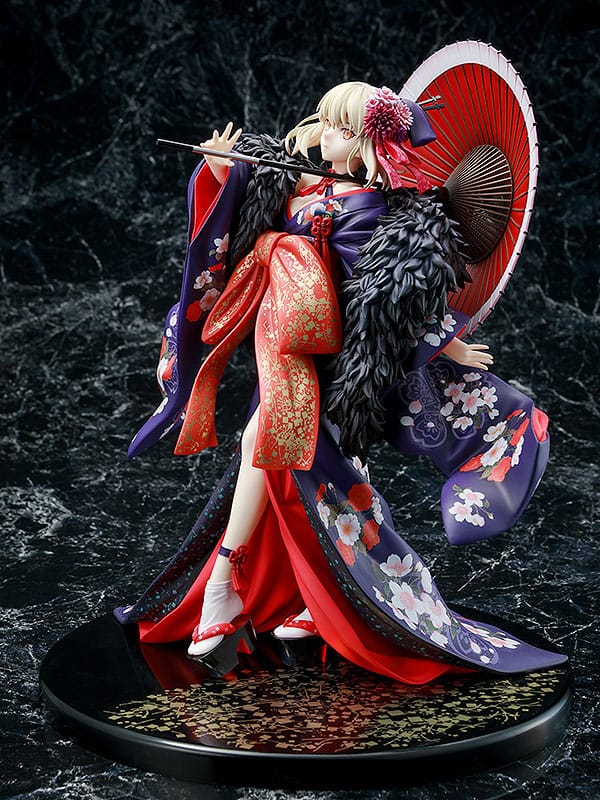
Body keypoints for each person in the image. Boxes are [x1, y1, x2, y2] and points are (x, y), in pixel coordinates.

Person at [116, 82, 565, 683]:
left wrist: (442, 340)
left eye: (340, 127)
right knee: (308, 467)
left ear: (367, 146)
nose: (323, 133)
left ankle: (230, 582)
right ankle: (306, 592)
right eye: (325, 121)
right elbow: (255, 208)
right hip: (285, 344)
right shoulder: (309, 184)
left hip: (334, 357)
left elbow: (390, 294)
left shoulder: (377, 213)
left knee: (275, 450)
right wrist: (225, 172)